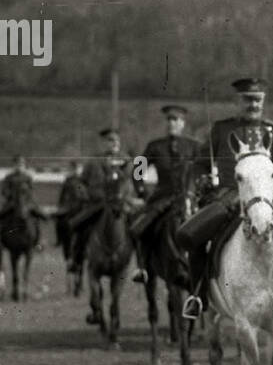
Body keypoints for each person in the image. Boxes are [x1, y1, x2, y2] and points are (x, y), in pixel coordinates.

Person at [176, 78, 273, 320]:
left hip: (268, 195)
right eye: (247, 100)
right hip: (228, 194)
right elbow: (200, 164)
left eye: (257, 100)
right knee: (198, 235)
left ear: (263, 101)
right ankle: (198, 296)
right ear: (237, 101)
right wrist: (198, 183)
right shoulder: (221, 129)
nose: (253, 104)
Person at [129, 105, 204, 284]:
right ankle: (143, 268)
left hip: (189, 199)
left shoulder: (195, 147)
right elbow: (137, 171)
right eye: (169, 120)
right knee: (139, 228)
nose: (171, 124)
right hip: (162, 199)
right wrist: (142, 192)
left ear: (183, 123)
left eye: (176, 120)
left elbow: (206, 170)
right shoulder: (154, 146)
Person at [68, 129, 133, 275]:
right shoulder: (92, 162)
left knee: (139, 227)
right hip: (97, 205)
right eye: (110, 140)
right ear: (104, 143)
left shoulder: (129, 161)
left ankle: (142, 265)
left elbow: (138, 180)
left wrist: (130, 196)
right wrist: (83, 193)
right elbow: (80, 182)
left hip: (120, 205)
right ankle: (76, 260)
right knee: (78, 225)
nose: (114, 143)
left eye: (117, 140)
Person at [0, 154, 48, 249]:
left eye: (21, 163)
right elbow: (4, 190)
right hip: (12, 203)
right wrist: (11, 195)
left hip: (26, 203)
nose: (19, 165)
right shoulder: (9, 177)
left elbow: (32, 190)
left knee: (38, 217)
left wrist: (26, 196)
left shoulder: (27, 177)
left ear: (24, 165)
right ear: (14, 165)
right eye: (17, 163)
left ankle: (38, 241)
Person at [56, 160, 87, 253]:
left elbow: (84, 194)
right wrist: (61, 206)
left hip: (80, 207)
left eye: (76, 168)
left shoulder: (82, 180)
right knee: (59, 221)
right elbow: (62, 195)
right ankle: (59, 240)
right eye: (72, 168)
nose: (74, 170)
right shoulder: (67, 181)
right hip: (69, 207)